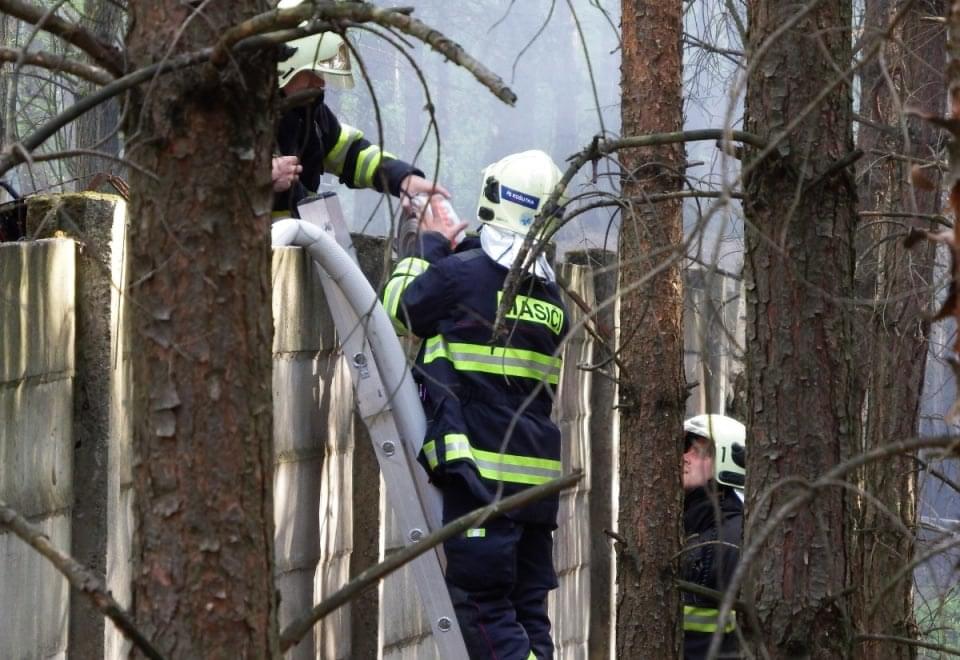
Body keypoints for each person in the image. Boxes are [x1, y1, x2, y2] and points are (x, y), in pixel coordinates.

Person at [383, 150, 569, 659]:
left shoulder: (459, 278)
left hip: (482, 480)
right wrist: (458, 249)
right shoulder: (552, 298)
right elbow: (486, 286)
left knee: (483, 611)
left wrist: (426, 244)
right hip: (535, 486)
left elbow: (400, 308)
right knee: (528, 614)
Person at [272, 1, 447, 217]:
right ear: (284, 66)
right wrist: (263, 177)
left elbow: (353, 154)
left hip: (301, 234)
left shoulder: (310, 114)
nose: (321, 82)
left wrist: (403, 178)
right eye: (314, 72)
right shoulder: (241, 117)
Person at [680, 413, 747, 659]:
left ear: (728, 464)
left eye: (699, 451)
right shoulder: (691, 525)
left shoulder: (733, 538)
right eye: (685, 448)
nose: (685, 457)